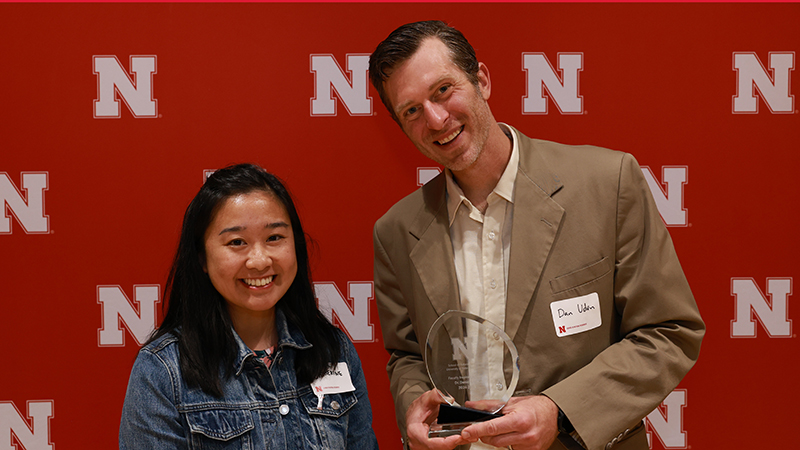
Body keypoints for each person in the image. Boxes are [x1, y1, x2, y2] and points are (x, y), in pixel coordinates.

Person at [369, 21, 704, 450]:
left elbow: (669, 331)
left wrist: (560, 410)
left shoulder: (607, 183)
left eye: (443, 90)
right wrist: (414, 403)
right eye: (412, 111)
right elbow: (409, 355)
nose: (436, 119)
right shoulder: (396, 232)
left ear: (482, 81)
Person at [119, 163, 379, 449]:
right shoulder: (163, 370)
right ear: (202, 257)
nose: (259, 260)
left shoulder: (333, 349)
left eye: (274, 238)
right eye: (237, 242)